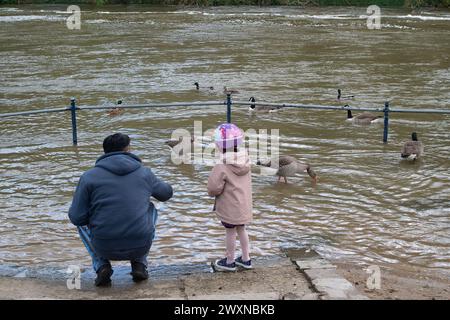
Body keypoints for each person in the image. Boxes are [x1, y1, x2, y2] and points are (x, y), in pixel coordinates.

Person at [68, 133, 173, 286]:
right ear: (128, 150)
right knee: (150, 208)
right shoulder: (144, 173)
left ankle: (101, 265)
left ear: (105, 152)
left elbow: (76, 217)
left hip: (103, 246)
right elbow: (166, 194)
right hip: (140, 244)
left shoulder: (88, 177)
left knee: (82, 222)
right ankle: (139, 263)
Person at [207, 123, 253, 271]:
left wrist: (214, 191)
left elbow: (213, 188)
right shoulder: (245, 160)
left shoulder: (221, 165)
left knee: (230, 231)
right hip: (243, 205)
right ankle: (246, 259)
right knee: (242, 229)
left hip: (229, 207)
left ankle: (229, 261)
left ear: (219, 146)